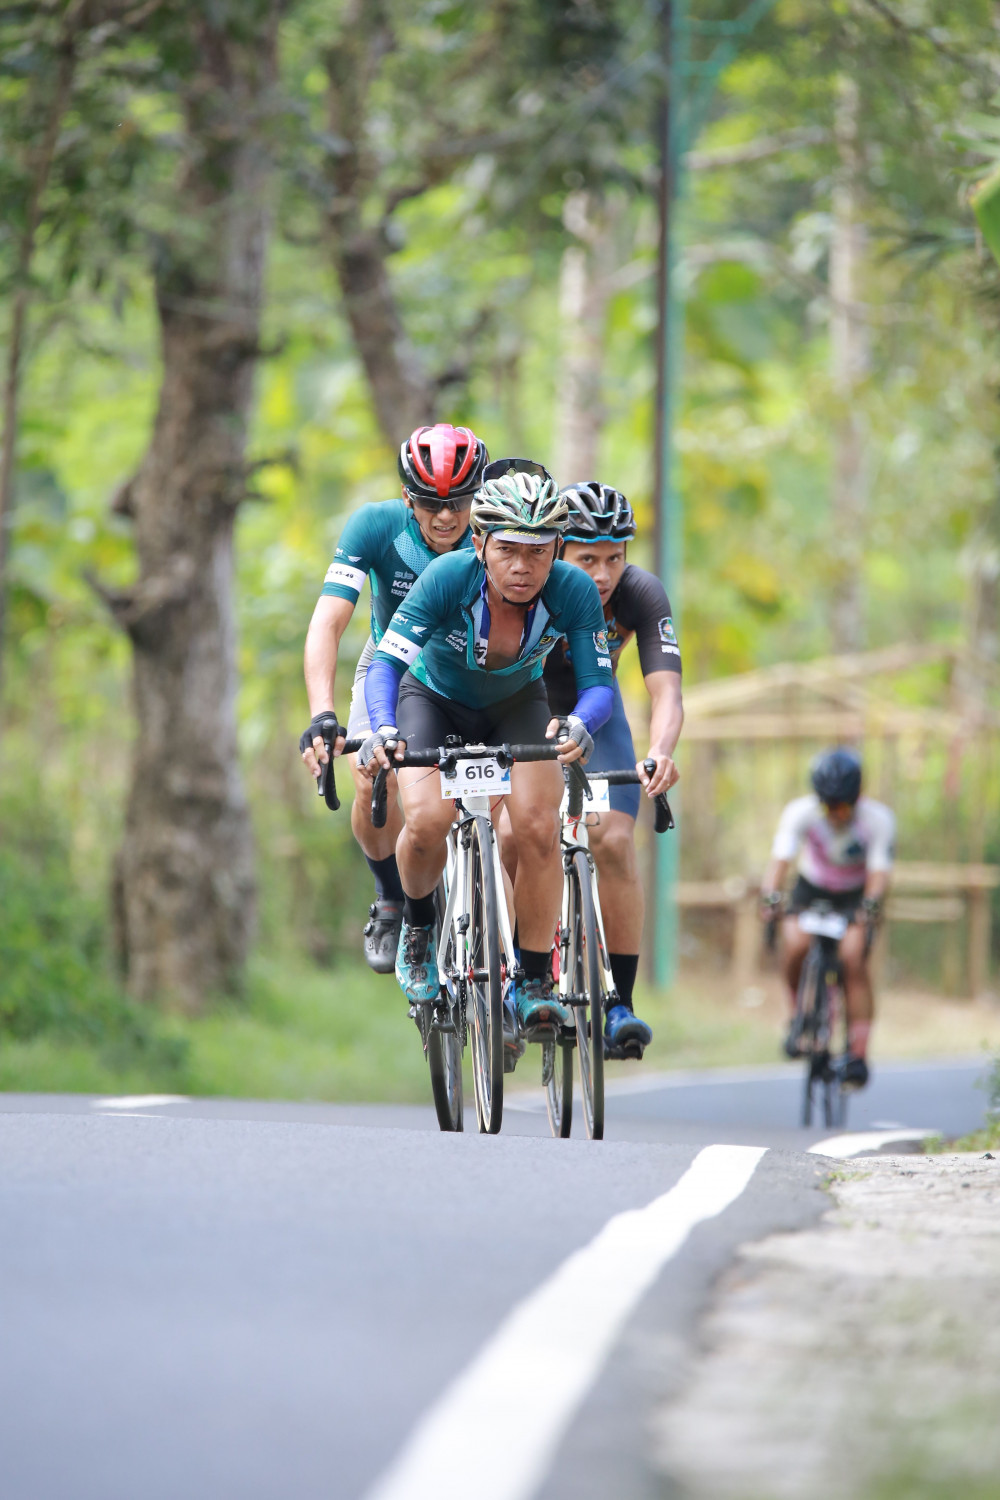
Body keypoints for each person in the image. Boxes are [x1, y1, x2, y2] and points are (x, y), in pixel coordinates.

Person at [357, 459, 614, 1067]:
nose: (523, 566)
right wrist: (384, 728)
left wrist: (581, 723)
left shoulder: (572, 590)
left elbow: (598, 686)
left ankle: (532, 979)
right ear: (479, 543)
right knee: (427, 820)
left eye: (538, 551)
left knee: (538, 828)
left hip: (517, 704)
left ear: (557, 549)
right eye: (508, 550)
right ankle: (419, 926)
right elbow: (387, 663)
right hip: (431, 700)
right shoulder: (448, 576)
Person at [299, 423, 489, 972]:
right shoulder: (376, 526)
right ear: (408, 497)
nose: (447, 516)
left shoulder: (494, 534)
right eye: (431, 502)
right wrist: (322, 713)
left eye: (459, 501)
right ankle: (390, 899)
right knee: (370, 775)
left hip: (473, 674)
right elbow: (328, 622)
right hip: (391, 665)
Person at [542, 481, 683, 1057]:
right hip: (527, 714)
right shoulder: (532, 585)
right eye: (588, 560)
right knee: (524, 834)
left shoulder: (640, 593)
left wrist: (662, 750)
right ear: (557, 551)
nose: (603, 575)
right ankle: (517, 973)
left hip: (599, 720)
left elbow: (666, 691)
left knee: (617, 843)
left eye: (614, 559)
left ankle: (619, 1003)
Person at [759, 747, 895, 1089]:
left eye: (843, 807)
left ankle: (858, 1054)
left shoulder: (877, 819)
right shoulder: (800, 812)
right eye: (828, 806)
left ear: (856, 799)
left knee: (853, 958)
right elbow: (780, 860)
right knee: (795, 946)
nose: (835, 814)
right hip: (811, 889)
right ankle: (799, 1017)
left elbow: (879, 873)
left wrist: (870, 907)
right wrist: (771, 897)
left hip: (854, 895)